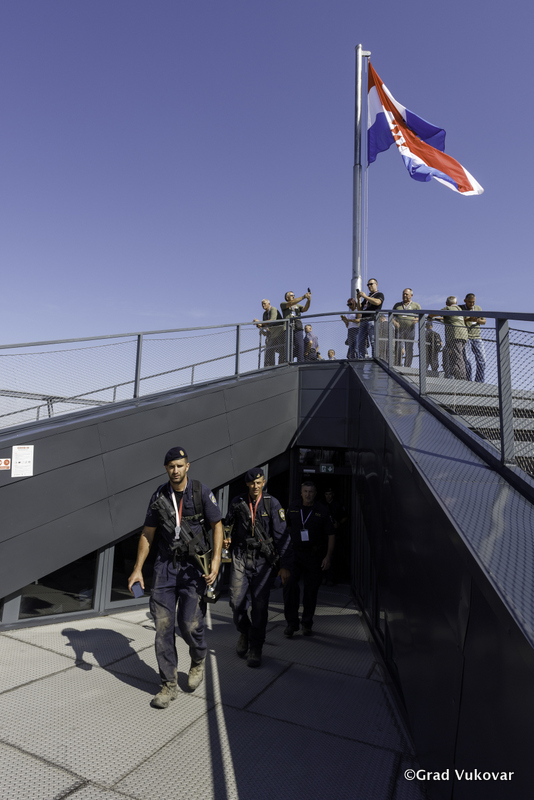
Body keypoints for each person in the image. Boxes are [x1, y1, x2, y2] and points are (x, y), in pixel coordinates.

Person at [128, 447, 223, 708]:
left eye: (180, 465)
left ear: (187, 466)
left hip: (194, 569)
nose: (176, 470)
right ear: (166, 468)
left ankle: (198, 658)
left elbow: (217, 525)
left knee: (189, 625)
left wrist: (216, 560)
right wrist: (138, 568)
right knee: (163, 625)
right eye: (171, 466)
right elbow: (148, 534)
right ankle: (168, 684)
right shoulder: (159, 495)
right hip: (165, 567)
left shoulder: (200, 492)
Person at [223, 468, 292, 667]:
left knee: (260, 607)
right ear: (247, 484)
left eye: (259, 482)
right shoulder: (238, 502)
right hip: (241, 556)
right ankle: (245, 632)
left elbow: (282, 537)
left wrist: (285, 565)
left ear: (264, 482)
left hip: (263, 561)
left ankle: (256, 648)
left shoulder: (272, 503)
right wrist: (227, 538)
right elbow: (228, 525)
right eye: (252, 483)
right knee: (236, 602)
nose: (255, 486)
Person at [283, 481, 335, 637]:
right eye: (305, 491)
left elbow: (331, 535)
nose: (308, 495)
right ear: (301, 492)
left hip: (314, 555)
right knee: (290, 586)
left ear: (315, 493)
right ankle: (292, 623)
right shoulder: (293, 507)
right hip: (295, 554)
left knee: (311, 592)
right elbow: (285, 529)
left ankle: (306, 623)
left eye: (311, 492)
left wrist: (328, 557)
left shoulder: (322, 510)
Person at [438, 296, 468, 380]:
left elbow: (435, 313)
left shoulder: (448, 309)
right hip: (464, 335)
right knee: (453, 354)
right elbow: (450, 318)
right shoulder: (459, 309)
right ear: (456, 302)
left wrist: (430, 317)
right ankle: (455, 373)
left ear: (447, 303)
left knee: (458, 356)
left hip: (455, 335)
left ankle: (462, 377)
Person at [460, 293, 486, 382]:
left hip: (477, 336)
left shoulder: (478, 308)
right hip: (465, 337)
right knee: (467, 360)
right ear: (465, 301)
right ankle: (469, 380)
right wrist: (469, 319)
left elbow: (484, 321)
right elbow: (457, 321)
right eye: (470, 302)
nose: (472, 304)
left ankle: (479, 381)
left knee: (482, 360)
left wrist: (477, 320)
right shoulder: (460, 308)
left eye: (473, 302)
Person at [392, 288, 421, 367]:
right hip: (399, 330)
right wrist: (394, 322)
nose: (404, 295)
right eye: (403, 294)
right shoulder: (397, 305)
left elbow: (421, 316)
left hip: (410, 329)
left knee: (409, 348)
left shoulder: (416, 305)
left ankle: (407, 366)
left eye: (406, 294)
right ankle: (398, 365)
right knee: (398, 347)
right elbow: (391, 316)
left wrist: (417, 319)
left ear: (411, 295)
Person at [356, 279, 384, 359]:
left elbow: (378, 302)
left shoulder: (379, 294)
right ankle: (361, 358)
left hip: (372, 320)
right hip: (363, 320)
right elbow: (360, 309)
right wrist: (359, 299)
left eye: (371, 284)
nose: (369, 286)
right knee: (360, 341)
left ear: (376, 284)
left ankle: (375, 358)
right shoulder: (368, 297)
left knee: (373, 340)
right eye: (368, 285)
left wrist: (365, 296)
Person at [280, 290, 311, 362]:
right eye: (291, 295)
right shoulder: (283, 304)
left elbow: (305, 309)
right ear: (287, 297)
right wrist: (303, 297)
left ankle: (300, 361)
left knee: (300, 345)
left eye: (294, 295)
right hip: (288, 328)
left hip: (298, 327)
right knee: (289, 346)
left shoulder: (297, 305)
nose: (293, 296)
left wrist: (309, 300)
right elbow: (291, 303)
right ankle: (289, 361)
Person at [254, 299, 285, 367]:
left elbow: (272, 320)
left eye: (264, 303)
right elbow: (265, 325)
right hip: (272, 334)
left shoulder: (273, 309)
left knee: (281, 350)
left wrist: (260, 322)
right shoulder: (265, 313)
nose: (263, 305)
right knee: (269, 350)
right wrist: (258, 325)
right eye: (262, 304)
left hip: (280, 332)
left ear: (269, 304)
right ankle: (270, 366)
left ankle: (281, 365)